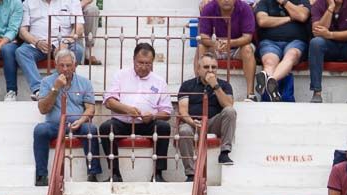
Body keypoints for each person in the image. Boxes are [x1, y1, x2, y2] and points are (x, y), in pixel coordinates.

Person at [99, 43, 170, 184]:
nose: (143, 67)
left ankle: (158, 174)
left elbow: (167, 111)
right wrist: (128, 110)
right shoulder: (121, 75)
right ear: (133, 60)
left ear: (152, 62)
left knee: (163, 127)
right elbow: (109, 101)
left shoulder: (159, 81)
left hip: (147, 122)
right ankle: (115, 174)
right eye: (140, 63)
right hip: (122, 121)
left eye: (148, 63)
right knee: (106, 128)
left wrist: (153, 116)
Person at [33, 50, 100, 186]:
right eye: (62, 65)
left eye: (68, 65)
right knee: (40, 130)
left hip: (77, 123)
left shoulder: (85, 83)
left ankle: (93, 173)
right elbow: (43, 109)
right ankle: (41, 175)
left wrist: (81, 120)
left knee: (91, 129)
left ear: (74, 66)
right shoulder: (47, 82)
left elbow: (90, 109)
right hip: (55, 125)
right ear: (56, 65)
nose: (65, 69)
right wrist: (55, 89)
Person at [176, 53, 237, 179]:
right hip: (194, 123)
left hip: (214, 122)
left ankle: (224, 153)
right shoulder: (187, 85)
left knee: (230, 112)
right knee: (184, 129)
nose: (210, 70)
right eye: (206, 67)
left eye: (214, 67)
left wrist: (215, 86)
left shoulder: (224, 85)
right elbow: (183, 111)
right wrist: (192, 122)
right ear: (198, 69)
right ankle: (191, 173)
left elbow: (228, 105)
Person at [15, 0, 85, 95]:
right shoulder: (28, 2)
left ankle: (57, 84)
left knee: (78, 50)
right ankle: (39, 89)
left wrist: (65, 42)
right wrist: (37, 42)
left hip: (64, 44)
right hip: (38, 45)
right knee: (21, 52)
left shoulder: (72, 1)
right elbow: (23, 31)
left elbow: (79, 28)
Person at [307, 0, 347, 102]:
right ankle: (317, 93)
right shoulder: (319, 3)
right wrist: (330, 7)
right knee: (316, 42)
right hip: (329, 48)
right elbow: (317, 31)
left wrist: (330, 35)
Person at [198, 0, 257, 102]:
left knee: (248, 49)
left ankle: (250, 95)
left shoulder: (245, 8)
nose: (226, 0)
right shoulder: (209, 8)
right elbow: (203, 36)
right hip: (217, 47)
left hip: (238, 47)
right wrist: (215, 44)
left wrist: (230, 43)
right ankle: (200, 89)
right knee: (201, 47)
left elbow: (248, 37)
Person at [253, 0, 312, 102]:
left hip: (295, 42)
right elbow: (262, 21)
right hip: (270, 41)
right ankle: (270, 82)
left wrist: (284, 2)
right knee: (269, 61)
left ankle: (270, 79)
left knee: (291, 55)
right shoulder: (265, 2)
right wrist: (290, 18)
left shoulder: (302, 1)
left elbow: (302, 16)